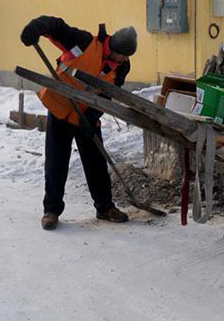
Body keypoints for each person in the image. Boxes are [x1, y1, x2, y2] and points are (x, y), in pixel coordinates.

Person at [20, 15, 137, 230]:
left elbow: (107, 94)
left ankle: (104, 207)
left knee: (96, 163)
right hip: (61, 109)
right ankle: (51, 211)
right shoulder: (83, 42)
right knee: (57, 161)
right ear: (113, 47)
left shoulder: (121, 66)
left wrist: (92, 118)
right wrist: (34, 28)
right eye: (122, 56)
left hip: (87, 114)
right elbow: (55, 26)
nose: (123, 61)